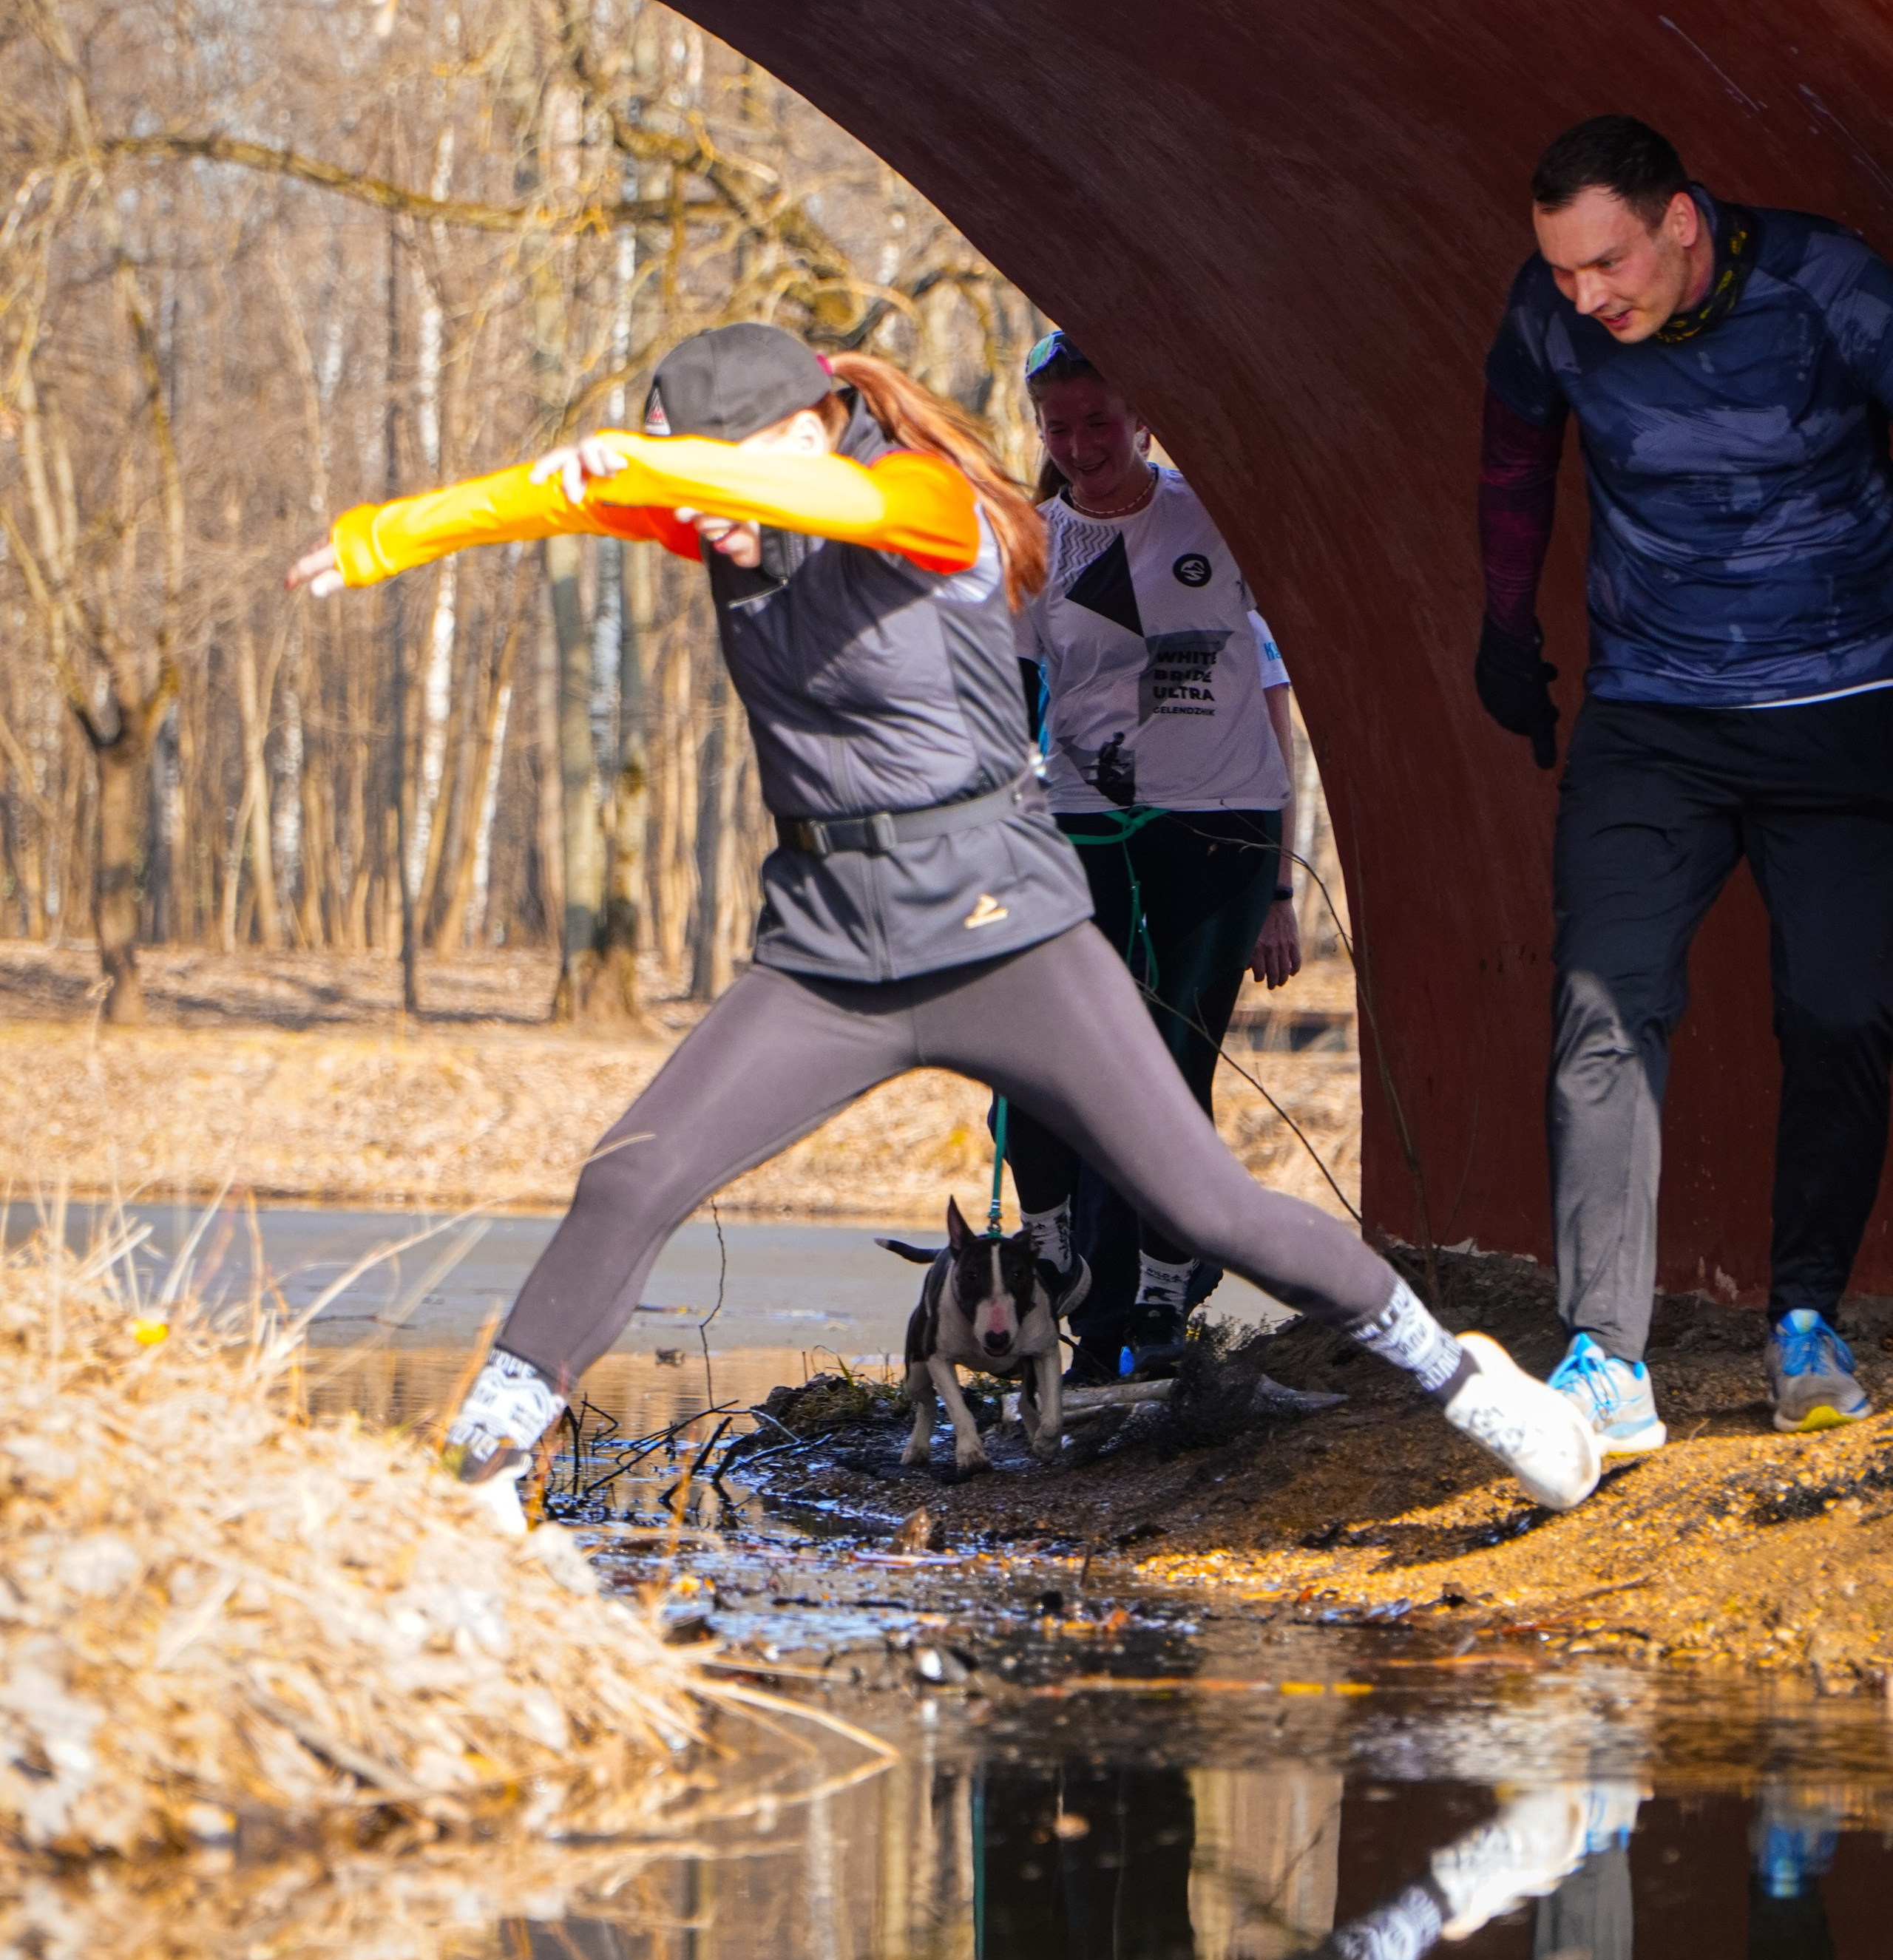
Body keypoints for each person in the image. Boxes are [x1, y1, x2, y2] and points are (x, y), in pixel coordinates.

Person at [290, 321, 1600, 1525]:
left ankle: (1470, 1385)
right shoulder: (737, 519)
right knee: (629, 1177)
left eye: (718, 482)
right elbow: (561, 495)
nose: (701, 522)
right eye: (689, 493)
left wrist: (645, 467)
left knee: (1206, 1208)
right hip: (827, 954)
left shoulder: (924, 498)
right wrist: (387, 537)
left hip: (1005, 937)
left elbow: (798, 499)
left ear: (803, 434)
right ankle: (478, 1477)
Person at [1477, 114, 1893, 1454]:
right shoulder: (1553, 317)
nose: (1586, 296)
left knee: (1843, 1011)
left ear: (1681, 221)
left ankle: (1807, 1320)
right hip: (1653, 717)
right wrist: (1506, 630)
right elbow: (1515, 458)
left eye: (1607, 263)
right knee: (1605, 1002)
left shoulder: (1829, 287)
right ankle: (1605, 1359)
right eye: (1562, 270)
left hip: (1842, 714)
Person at [1003, 329, 1303, 1380]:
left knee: (1179, 1058)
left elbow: (1288, 679)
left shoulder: (1211, 512)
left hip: (1220, 820)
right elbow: (1009, 696)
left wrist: (1281, 885)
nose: (1082, 446)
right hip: (1081, 816)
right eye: (1059, 428)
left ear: (1142, 418)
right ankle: (1053, 1255)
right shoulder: (1034, 542)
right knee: (1054, 1052)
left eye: (1100, 421)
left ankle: (1165, 1294)